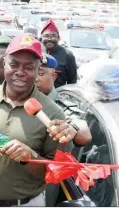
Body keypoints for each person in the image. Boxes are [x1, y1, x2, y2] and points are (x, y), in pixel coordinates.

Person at [0, 35, 85, 207]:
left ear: (38, 70)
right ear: (4, 64)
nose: (20, 72)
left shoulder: (52, 113)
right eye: (13, 64)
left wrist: (29, 157)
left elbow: (54, 171)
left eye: (29, 67)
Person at [36, 54, 92, 206]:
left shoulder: (64, 107)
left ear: (53, 76)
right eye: (33, 72)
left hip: (48, 184)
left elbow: (83, 132)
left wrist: (73, 128)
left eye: (41, 73)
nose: (35, 78)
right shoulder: (25, 102)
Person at [40, 19, 78, 88]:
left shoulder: (67, 55)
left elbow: (72, 82)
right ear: (41, 38)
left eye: (53, 36)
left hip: (57, 95)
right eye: (46, 36)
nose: (49, 39)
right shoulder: (35, 52)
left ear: (58, 38)